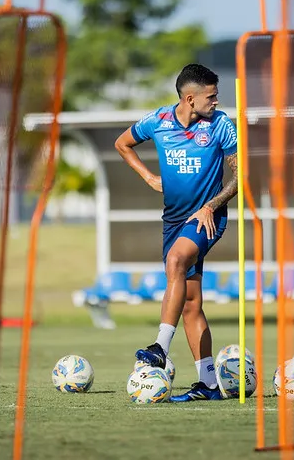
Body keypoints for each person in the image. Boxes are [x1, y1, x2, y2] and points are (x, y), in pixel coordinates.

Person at [115, 63, 237, 402]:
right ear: (189, 98)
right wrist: (148, 177)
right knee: (191, 305)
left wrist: (211, 205)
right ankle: (209, 384)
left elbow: (240, 178)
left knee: (176, 258)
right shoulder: (158, 121)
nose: (216, 101)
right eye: (211, 96)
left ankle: (159, 347)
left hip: (207, 218)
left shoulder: (221, 125)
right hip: (173, 219)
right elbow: (122, 144)